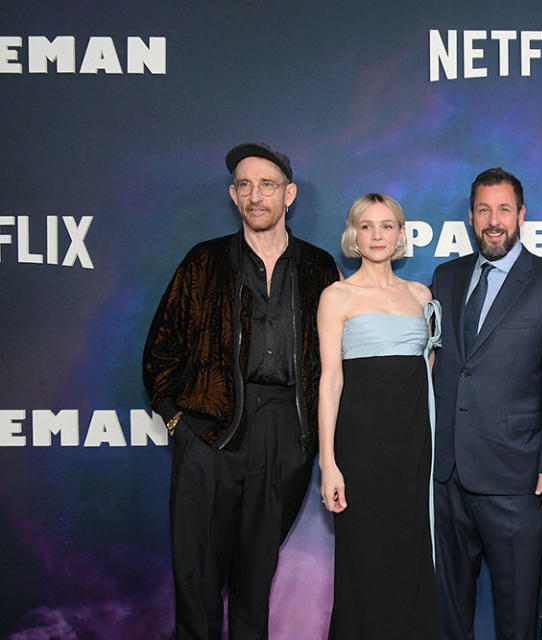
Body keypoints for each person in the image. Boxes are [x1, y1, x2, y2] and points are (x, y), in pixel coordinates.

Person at [142, 142, 340, 639]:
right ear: (233, 196)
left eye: (267, 185)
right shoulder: (204, 261)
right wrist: (177, 424)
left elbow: (337, 361)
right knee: (198, 578)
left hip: (287, 433)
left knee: (256, 577)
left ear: (288, 195)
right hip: (209, 432)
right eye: (245, 185)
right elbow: (160, 351)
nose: (256, 196)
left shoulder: (319, 267)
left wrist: (311, 439)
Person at [430, 167, 542, 640]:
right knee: (449, 609)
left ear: (521, 215)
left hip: (517, 478)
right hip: (447, 473)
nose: (493, 220)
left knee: (516, 615)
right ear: (471, 216)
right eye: (483, 210)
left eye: (503, 210)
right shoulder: (446, 276)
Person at [317, 193, 440, 639]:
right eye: (366, 226)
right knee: (364, 560)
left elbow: (424, 374)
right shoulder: (337, 296)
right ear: (354, 234)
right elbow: (330, 383)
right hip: (360, 452)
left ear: (401, 234)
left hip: (413, 451)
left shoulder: (420, 295)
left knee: (411, 557)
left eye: (387, 226)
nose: (377, 235)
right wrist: (329, 463)